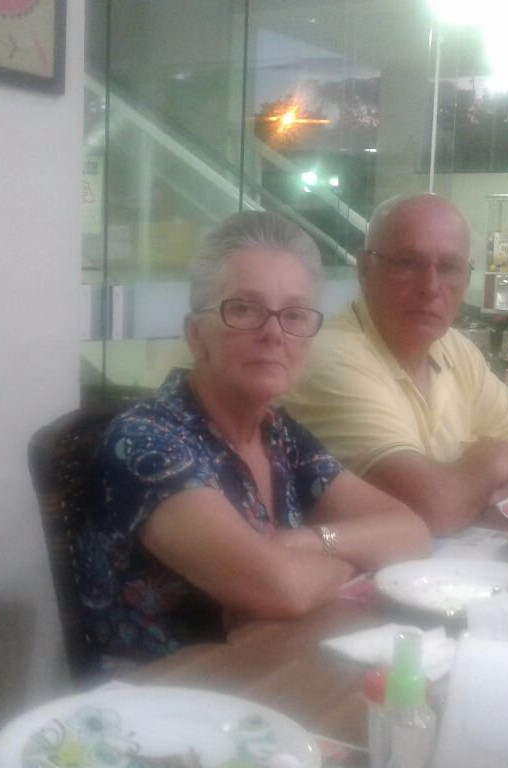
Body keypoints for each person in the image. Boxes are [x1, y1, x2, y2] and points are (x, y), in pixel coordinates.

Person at [77, 210, 431, 674]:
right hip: (163, 700)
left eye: (295, 314)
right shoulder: (145, 443)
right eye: (244, 309)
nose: (273, 333)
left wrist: (304, 543)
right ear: (195, 335)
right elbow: (282, 589)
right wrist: (351, 561)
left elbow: (411, 532)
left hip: (270, 672)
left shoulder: (279, 434)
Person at [283, 193, 508, 536]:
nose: (430, 287)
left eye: (449, 268)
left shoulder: (456, 349)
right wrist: (487, 465)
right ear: (365, 270)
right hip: (343, 567)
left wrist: (470, 492)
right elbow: (435, 510)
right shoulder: (332, 356)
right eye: (407, 263)